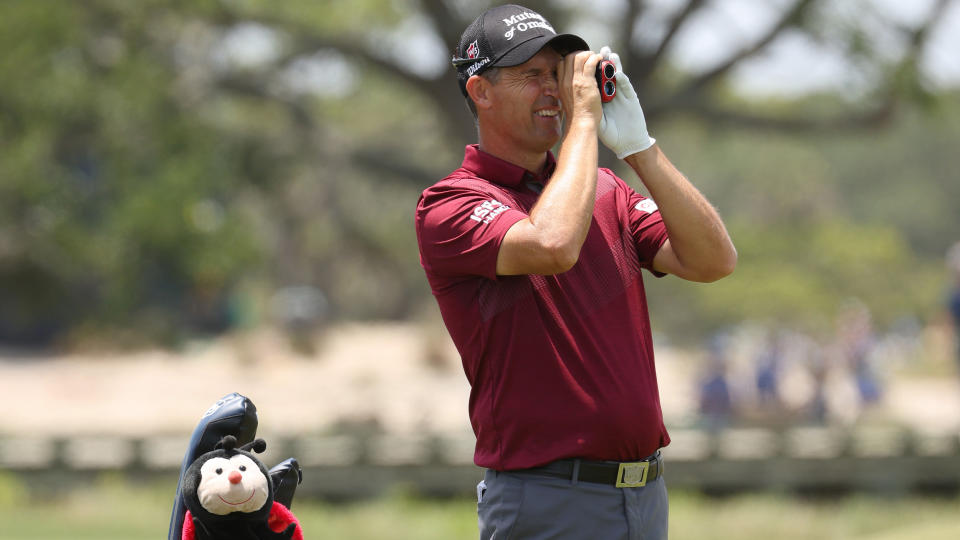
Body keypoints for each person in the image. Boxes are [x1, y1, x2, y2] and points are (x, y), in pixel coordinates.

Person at [415, 4, 736, 539]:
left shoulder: (606, 190)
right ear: (481, 92)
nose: (554, 92)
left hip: (644, 497)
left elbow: (713, 261)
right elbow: (552, 244)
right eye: (532, 75)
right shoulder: (450, 203)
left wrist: (641, 149)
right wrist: (585, 124)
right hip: (545, 498)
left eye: (558, 75)